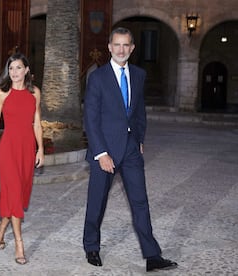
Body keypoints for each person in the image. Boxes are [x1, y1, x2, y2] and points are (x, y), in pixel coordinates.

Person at [83, 27, 178, 272]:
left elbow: (138, 110)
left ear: (132, 48)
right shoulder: (97, 77)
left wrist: (139, 138)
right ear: (109, 47)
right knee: (97, 201)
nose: (121, 49)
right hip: (104, 151)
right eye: (117, 45)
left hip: (131, 149)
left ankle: (152, 255)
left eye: (126, 45)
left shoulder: (138, 74)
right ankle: (91, 246)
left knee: (140, 202)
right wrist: (101, 153)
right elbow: (90, 119)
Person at [0, 52, 44, 265]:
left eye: (19, 68)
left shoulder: (35, 92)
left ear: (26, 70)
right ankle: (19, 243)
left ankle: (0, 229)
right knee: (15, 194)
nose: (15, 72)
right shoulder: (2, 93)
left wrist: (40, 149)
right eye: (11, 69)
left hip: (27, 148)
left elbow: (37, 122)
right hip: (8, 148)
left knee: (19, 194)